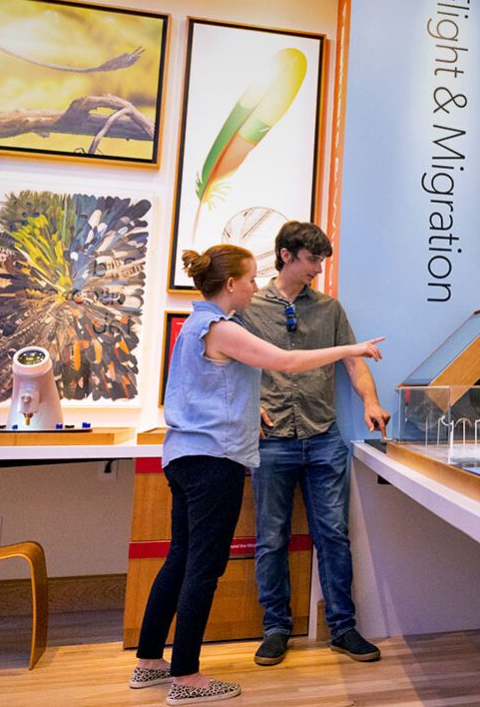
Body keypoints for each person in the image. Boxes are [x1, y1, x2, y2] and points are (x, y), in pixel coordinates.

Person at [130, 244, 382, 706]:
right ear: (230, 285)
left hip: (185, 457)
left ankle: (150, 662)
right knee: (203, 569)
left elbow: (208, 387)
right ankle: (186, 676)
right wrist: (353, 347)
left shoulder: (195, 325)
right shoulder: (221, 327)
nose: (253, 286)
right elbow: (284, 362)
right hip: (213, 462)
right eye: (248, 279)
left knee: (181, 559)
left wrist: (252, 409)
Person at [237, 222, 391, 667]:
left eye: (322, 261)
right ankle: (276, 628)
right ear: (286, 255)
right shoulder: (250, 307)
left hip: (323, 437)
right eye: (312, 260)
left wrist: (371, 401)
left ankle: (342, 628)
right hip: (270, 443)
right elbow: (229, 364)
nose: (318, 269)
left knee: (334, 536)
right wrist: (247, 409)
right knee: (271, 538)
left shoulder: (329, 309)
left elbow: (352, 360)